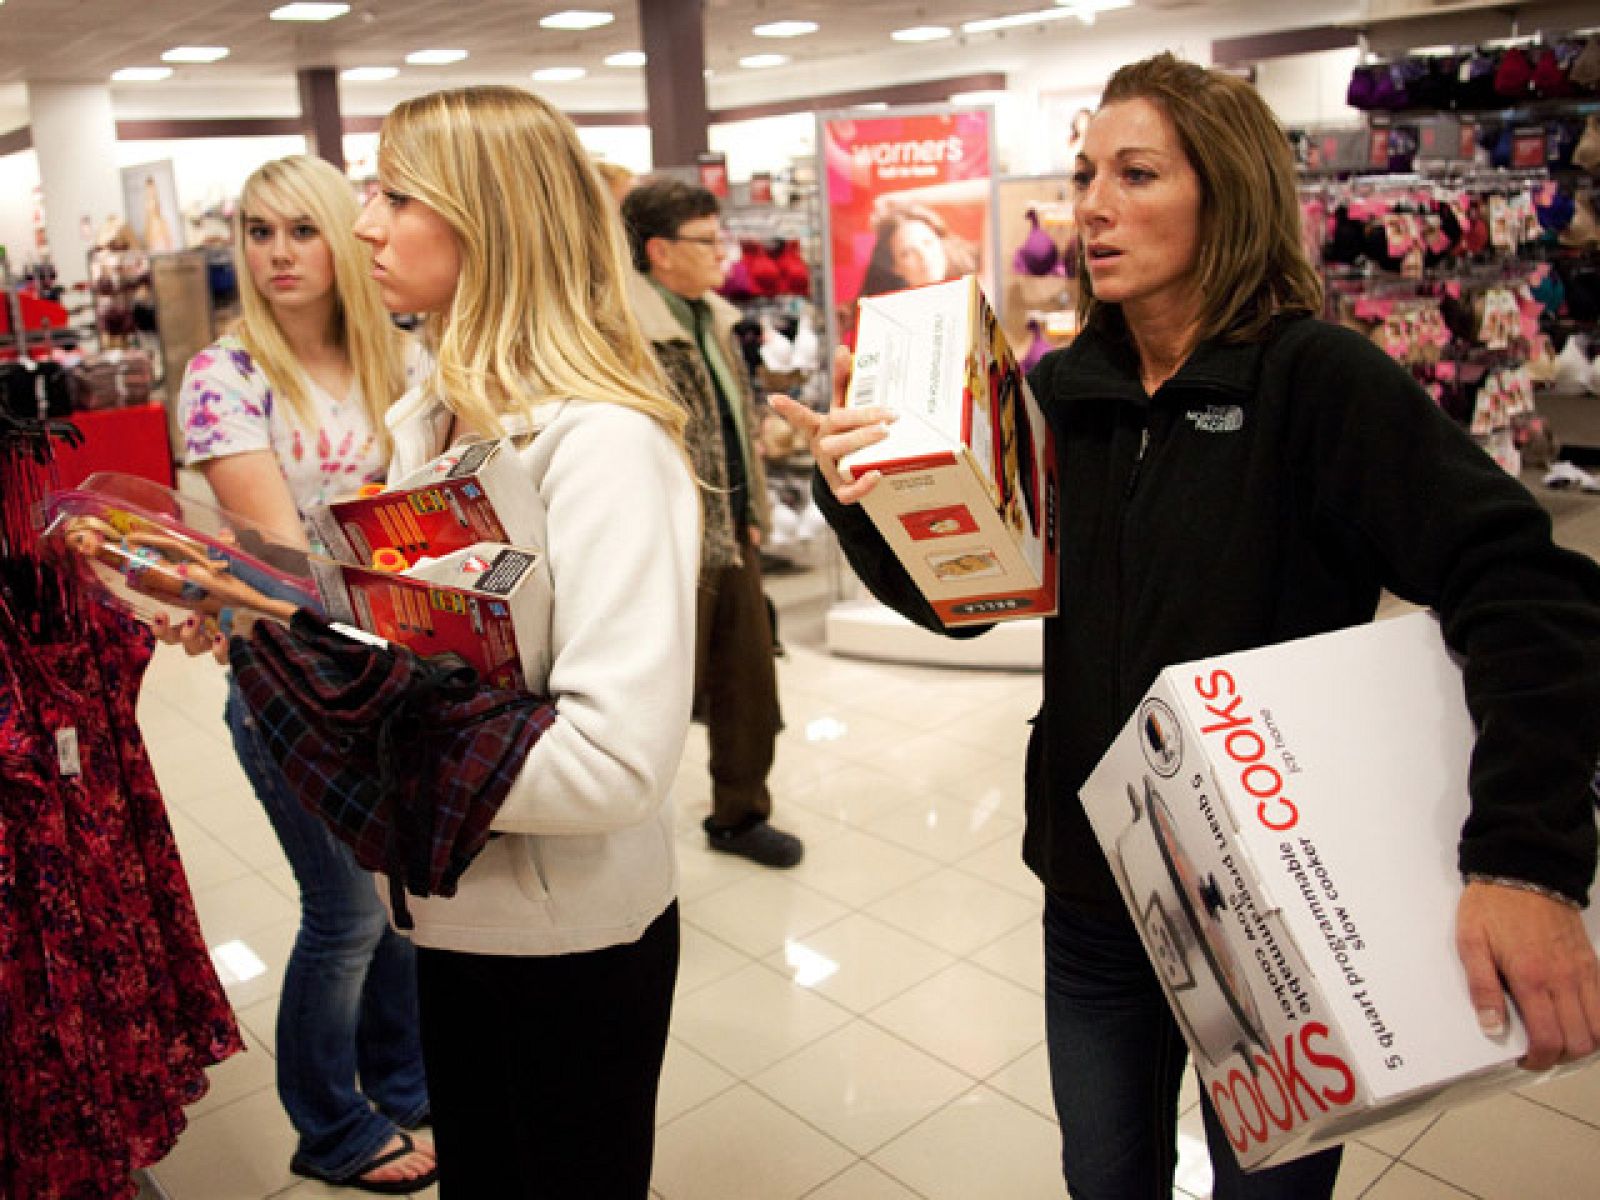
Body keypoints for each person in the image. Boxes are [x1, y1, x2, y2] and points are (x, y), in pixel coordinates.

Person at [775, 52, 1600, 1200]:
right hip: (1096, 889)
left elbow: (1527, 592)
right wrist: (862, 497)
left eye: (1136, 172)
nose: (1092, 205)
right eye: (1083, 174)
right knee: (1103, 1176)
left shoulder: (1316, 383)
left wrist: (1526, 860)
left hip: (1273, 904)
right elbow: (967, 608)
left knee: (1264, 1188)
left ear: (1229, 191)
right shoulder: (1065, 394)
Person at [352, 85, 699, 1196]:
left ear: (490, 217)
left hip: (570, 945)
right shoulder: (426, 414)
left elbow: (615, 762)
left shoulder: (601, 446)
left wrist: (377, 747)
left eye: (398, 194)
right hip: (453, 913)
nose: (367, 222)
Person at [172, 154, 437, 1195]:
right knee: (347, 914)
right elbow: (281, 559)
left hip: (396, 667)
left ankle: (406, 1087)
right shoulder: (225, 377)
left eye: (302, 230)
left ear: (344, 234)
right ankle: (329, 1125)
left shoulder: (406, 360)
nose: (278, 254)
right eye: (260, 232)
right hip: (292, 676)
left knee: (405, 898)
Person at [619, 178, 804, 869]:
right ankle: (628, 836)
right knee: (654, 696)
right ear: (660, 252)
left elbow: (736, 425)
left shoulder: (714, 318)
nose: (722, 253)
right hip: (668, 547)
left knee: (749, 682)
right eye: (707, 240)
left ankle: (739, 814)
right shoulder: (630, 334)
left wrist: (752, 509)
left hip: (732, 532)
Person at [857, 201, 977, 299]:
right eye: (907, 253)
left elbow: (991, 191)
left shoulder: (978, 285)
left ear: (940, 242)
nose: (923, 256)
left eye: (928, 242)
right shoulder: (892, 315)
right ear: (895, 268)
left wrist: (906, 197)